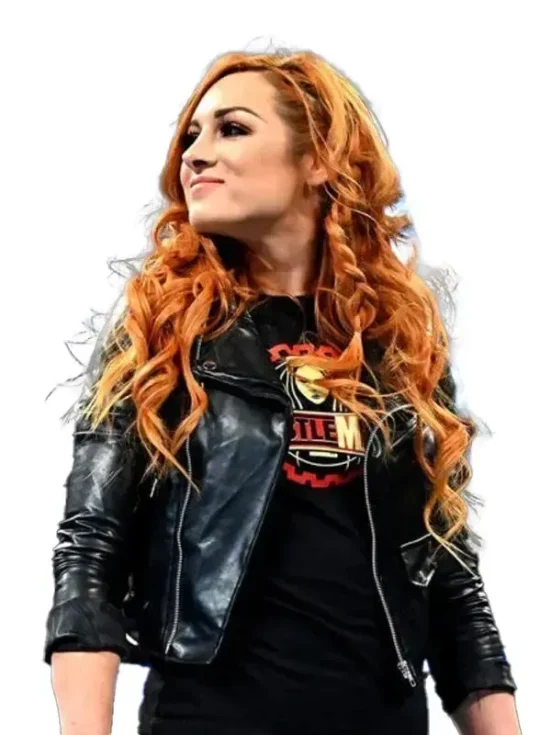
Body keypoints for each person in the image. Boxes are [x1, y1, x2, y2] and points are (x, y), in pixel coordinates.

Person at [43, 49, 520, 735]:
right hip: (210, 719)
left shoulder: (398, 345)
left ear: (317, 158)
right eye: (191, 135)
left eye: (232, 129)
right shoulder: (161, 331)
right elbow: (90, 552)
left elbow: (449, 580)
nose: (195, 154)